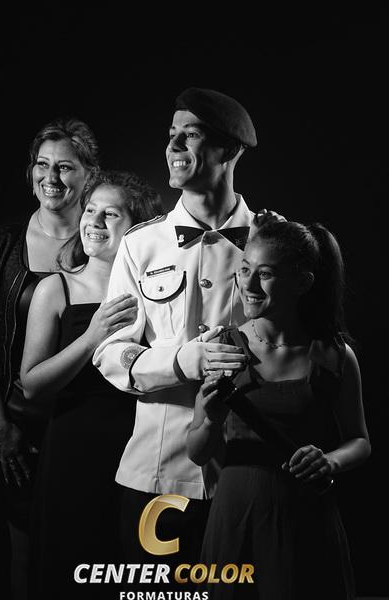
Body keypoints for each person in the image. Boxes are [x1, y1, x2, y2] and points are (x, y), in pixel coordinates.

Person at [93, 87, 283, 572]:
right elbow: (111, 353)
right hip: (160, 473)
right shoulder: (140, 244)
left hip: (253, 470)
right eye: (171, 134)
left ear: (229, 150)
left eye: (191, 135)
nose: (173, 146)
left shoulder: (273, 239)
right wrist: (180, 361)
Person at [187, 220, 371, 600]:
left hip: (307, 518)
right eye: (244, 270)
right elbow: (197, 452)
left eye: (265, 274)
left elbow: (360, 441)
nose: (249, 284)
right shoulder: (222, 348)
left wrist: (329, 461)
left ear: (302, 282)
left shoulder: (335, 355)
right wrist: (210, 419)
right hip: (236, 516)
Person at [0, 117, 99, 598]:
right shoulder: (3, 239)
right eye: (43, 165)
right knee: (24, 556)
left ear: (90, 175)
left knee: (87, 554)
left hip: (87, 426)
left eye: (65, 167)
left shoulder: (109, 239)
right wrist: (0, 427)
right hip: (17, 426)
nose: (51, 178)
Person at [19, 170, 163, 599]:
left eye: (110, 214)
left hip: (140, 448)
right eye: (90, 210)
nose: (94, 222)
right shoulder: (55, 289)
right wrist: (91, 337)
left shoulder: (156, 291)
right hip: (73, 450)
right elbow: (31, 384)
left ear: (136, 228)